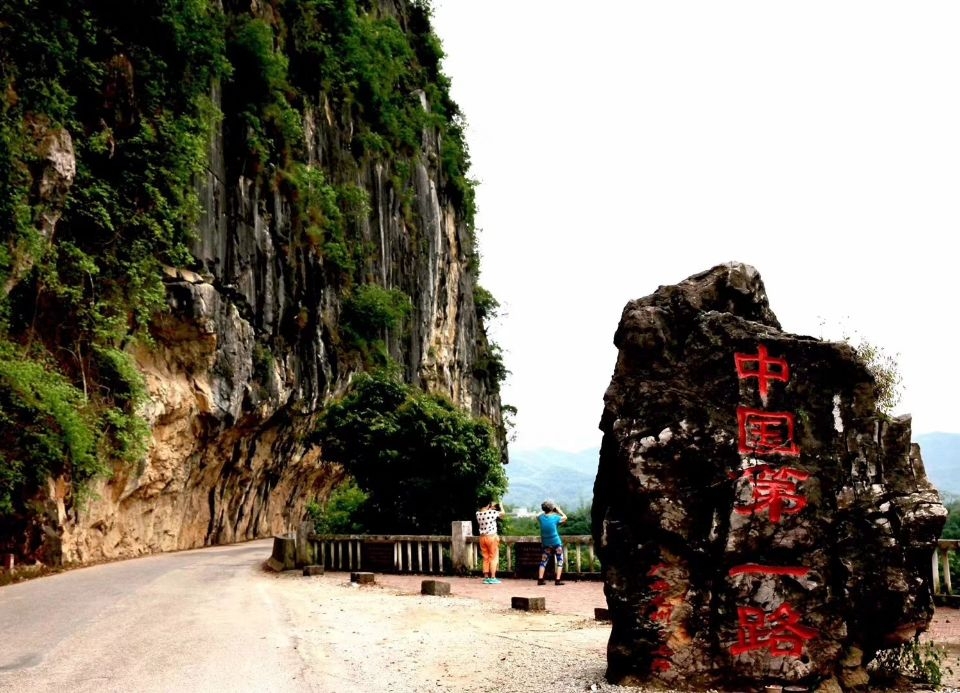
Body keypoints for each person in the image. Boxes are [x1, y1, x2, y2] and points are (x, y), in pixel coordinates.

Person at [536, 499, 567, 586]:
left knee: (543, 561)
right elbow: (565, 518)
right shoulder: (556, 517)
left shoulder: (541, 518)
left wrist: (544, 510)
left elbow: (537, 515)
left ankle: (540, 579)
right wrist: (559, 510)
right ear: (552, 508)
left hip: (546, 543)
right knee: (560, 560)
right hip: (556, 543)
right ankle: (557, 580)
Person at [475, 498, 504, 584]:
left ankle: (486, 577)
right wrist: (501, 506)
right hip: (491, 537)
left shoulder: (478, 513)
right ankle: (493, 577)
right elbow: (502, 514)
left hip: (482, 538)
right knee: (493, 557)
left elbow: (486, 513)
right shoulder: (492, 512)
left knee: (486, 557)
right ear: (488, 505)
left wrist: (491, 508)